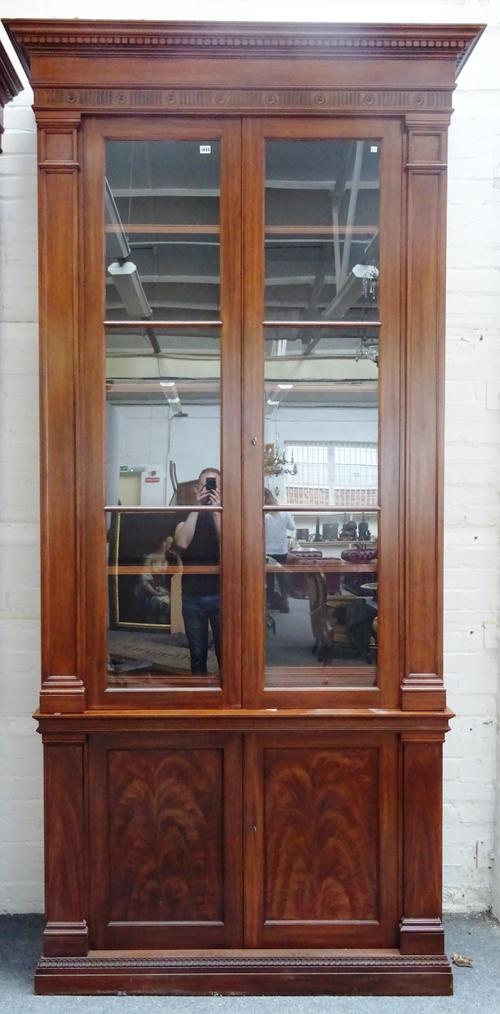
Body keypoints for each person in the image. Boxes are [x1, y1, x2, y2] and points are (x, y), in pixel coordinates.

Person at [174, 468, 221, 674]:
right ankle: (201, 699)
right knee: (197, 656)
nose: (209, 489)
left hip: (221, 594)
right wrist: (196, 507)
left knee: (226, 653)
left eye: (214, 485)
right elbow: (183, 542)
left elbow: (228, 545)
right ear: (196, 488)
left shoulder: (226, 515)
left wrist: (216, 511)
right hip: (193, 596)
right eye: (206, 484)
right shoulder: (185, 515)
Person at [264, 487, 295, 612]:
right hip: (282, 551)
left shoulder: (263, 515)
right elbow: (292, 527)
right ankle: (285, 603)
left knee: (269, 580)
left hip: (267, 552)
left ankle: (268, 603)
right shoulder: (285, 513)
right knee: (283, 579)